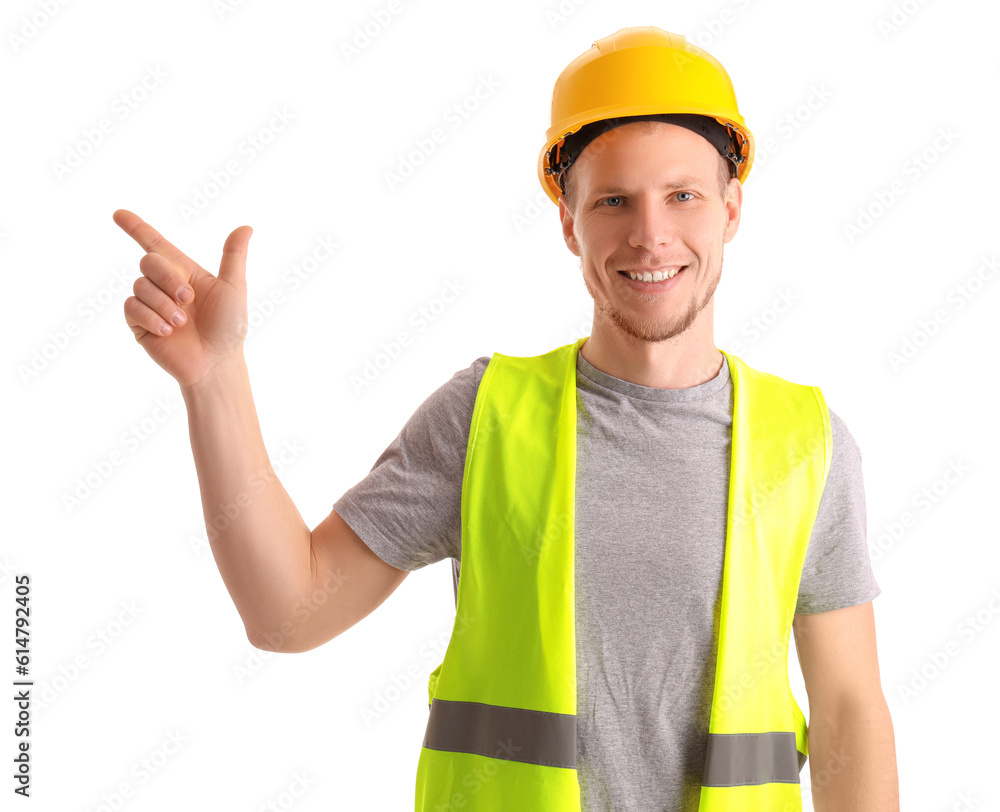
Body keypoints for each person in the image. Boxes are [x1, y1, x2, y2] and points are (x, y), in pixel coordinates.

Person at [116, 25, 898, 812]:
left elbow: (850, 714)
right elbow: (287, 611)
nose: (650, 233)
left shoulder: (806, 444)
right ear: (569, 223)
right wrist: (215, 380)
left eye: (683, 195)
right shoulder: (485, 417)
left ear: (731, 209)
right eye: (614, 200)